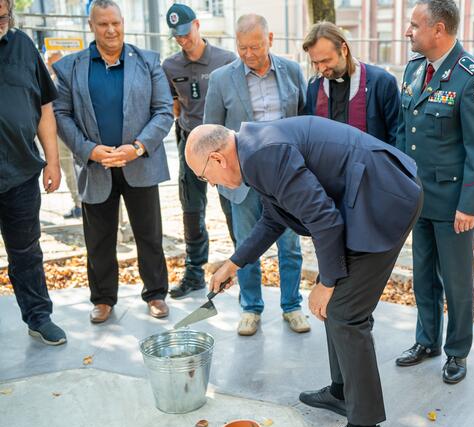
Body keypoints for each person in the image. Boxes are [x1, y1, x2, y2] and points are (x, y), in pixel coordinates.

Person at [185, 116, 422, 427]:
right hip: (365, 196)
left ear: (218, 158)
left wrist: (326, 283)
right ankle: (343, 393)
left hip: (382, 199)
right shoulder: (253, 152)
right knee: (338, 308)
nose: (212, 183)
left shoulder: (263, 154)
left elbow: (325, 220)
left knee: (344, 312)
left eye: (205, 177)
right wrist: (233, 263)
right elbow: (274, 218)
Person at [394, 0, 474, 384]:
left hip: (456, 205)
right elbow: (404, 135)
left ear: (439, 29)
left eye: (414, 25)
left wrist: (470, 205)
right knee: (423, 276)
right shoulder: (413, 71)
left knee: (457, 283)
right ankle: (427, 341)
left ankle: (457, 352)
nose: (409, 31)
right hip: (419, 199)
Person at [53, 0, 173, 324]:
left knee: (149, 234)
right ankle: (103, 298)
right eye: (103, 24)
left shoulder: (148, 62)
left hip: (139, 163)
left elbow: (164, 111)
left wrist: (137, 147)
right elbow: (60, 114)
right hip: (96, 167)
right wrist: (89, 149)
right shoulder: (69, 68)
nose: (111, 30)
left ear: (123, 23)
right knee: (99, 238)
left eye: (116, 23)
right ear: (91, 26)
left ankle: (156, 293)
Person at [204, 14, 308, 336]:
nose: (248, 54)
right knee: (247, 246)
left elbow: (306, 121)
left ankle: (292, 306)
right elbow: (210, 133)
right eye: (242, 47)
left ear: (271, 39)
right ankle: (250, 308)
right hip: (243, 181)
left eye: (256, 46)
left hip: (285, 177)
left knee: (289, 246)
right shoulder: (222, 79)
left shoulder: (291, 71)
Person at [0, 0, 66, 345]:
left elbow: (44, 107)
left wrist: (52, 161)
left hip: (21, 171)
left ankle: (39, 317)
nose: (0, 22)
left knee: (26, 251)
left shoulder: (23, 45)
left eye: (3, 16)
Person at [161, 3, 237, 299]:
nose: (183, 40)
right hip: (189, 143)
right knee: (191, 209)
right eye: (177, 36)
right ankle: (194, 272)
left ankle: (243, 268)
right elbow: (174, 104)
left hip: (223, 145)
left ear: (197, 25)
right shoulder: (170, 66)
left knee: (232, 206)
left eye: (186, 32)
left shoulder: (225, 60)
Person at [302, 21, 400, 145]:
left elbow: (396, 136)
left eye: (326, 60)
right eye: (315, 62)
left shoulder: (382, 83)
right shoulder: (314, 86)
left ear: (344, 50)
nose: (321, 69)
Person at [46, 50, 82, 219]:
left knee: (82, 168)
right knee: (69, 170)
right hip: (60, 135)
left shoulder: (74, 79)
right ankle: (78, 203)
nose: (56, 66)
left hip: (78, 131)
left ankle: (85, 202)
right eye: (52, 63)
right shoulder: (49, 83)